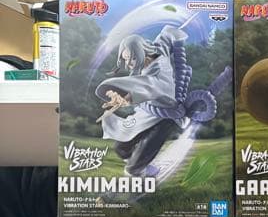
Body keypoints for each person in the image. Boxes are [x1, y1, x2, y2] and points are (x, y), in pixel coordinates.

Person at [95, 25, 231, 180]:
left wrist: (127, 98)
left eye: (131, 58)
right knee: (121, 147)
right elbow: (164, 40)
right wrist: (169, 33)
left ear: (141, 53)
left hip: (166, 116)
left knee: (137, 161)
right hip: (148, 112)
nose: (128, 64)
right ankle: (140, 164)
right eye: (125, 59)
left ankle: (139, 171)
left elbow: (148, 86)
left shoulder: (159, 75)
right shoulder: (157, 52)